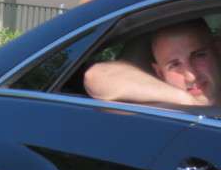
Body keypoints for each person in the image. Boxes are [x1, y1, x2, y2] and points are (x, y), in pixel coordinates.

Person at [85, 19, 221, 107]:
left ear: (218, 51)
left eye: (198, 56)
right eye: (174, 65)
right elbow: (95, 76)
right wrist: (187, 102)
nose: (191, 75)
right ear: (160, 73)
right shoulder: (157, 114)